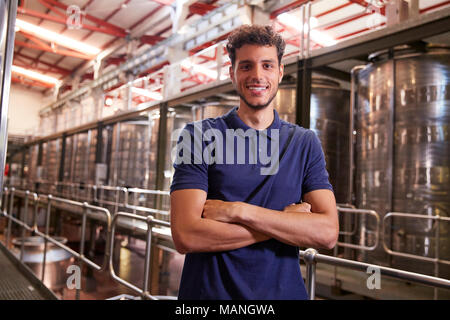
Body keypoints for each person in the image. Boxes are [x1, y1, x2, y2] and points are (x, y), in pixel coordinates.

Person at [170, 24, 338, 300]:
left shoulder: (303, 143)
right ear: (232, 73)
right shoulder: (198, 136)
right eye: (246, 66)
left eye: (267, 65)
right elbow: (187, 235)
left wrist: (238, 211)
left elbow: (327, 233)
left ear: (280, 71)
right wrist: (285, 223)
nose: (257, 75)